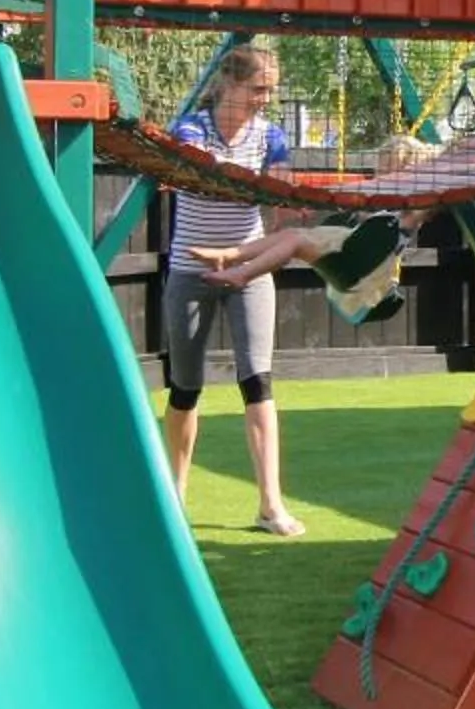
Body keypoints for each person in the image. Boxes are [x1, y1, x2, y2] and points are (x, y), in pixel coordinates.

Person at [157, 46, 399, 530]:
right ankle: (174, 500)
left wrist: (296, 204)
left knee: (258, 383)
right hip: (189, 269)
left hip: (248, 268)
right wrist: (262, 187)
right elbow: (203, 176)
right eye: (257, 89)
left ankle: (271, 504)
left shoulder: (270, 137)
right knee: (185, 388)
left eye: (269, 89)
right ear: (228, 84)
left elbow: (282, 191)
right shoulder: (190, 130)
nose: (264, 99)